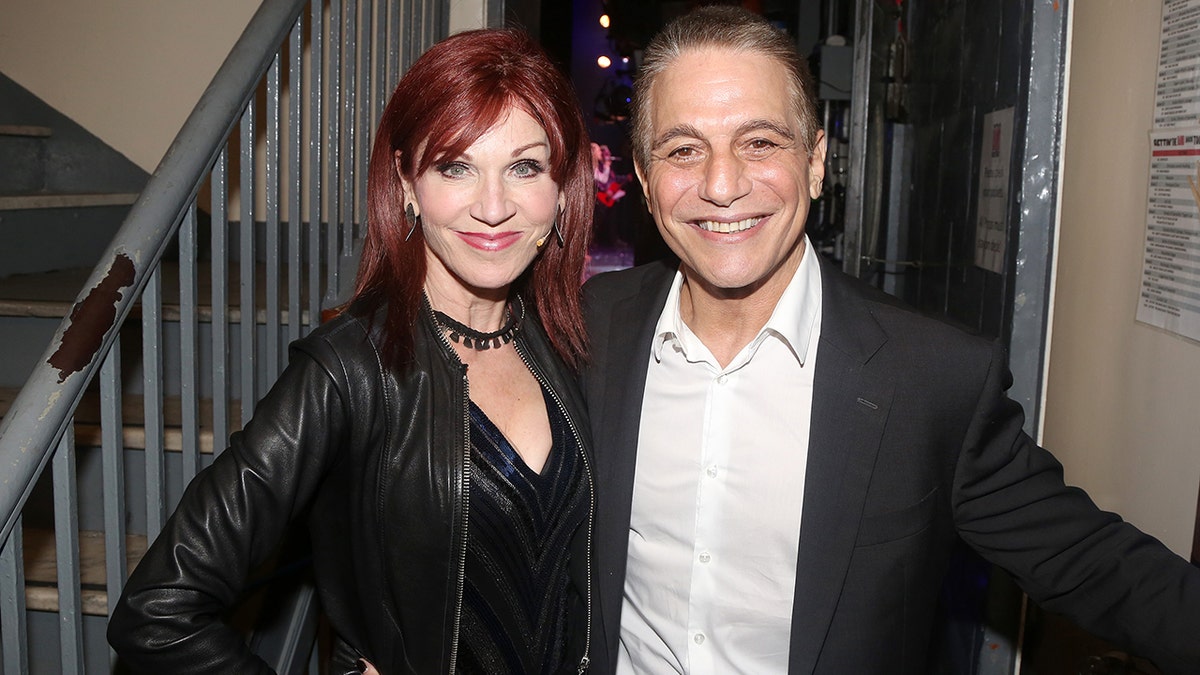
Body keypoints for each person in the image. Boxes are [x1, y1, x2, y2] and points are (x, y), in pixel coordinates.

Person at [579, 6, 1200, 675]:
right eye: (683, 149)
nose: (722, 185)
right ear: (645, 181)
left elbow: (1093, 564)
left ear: (815, 161)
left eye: (759, 143)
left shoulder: (930, 376)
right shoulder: (588, 328)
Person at [108, 28, 596, 675]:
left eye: (525, 166)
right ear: (406, 182)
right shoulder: (348, 370)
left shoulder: (569, 344)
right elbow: (157, 608)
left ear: (562, 189)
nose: (494, 205)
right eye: (456, 166)